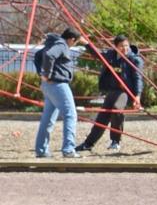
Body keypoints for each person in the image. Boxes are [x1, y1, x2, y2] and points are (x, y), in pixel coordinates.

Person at [77, 34, 143, 154]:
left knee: (117, 110)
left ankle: (115, 141)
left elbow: (138, 78)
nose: (125, 48)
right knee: (102, 117)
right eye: (122, 46)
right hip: (112, 91)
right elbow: (97, 54)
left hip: (125, 92)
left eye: (126, 45)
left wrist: (137, 96)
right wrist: (86, 43)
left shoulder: (134, 59)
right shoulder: (111, 55)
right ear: (116, 47)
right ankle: (88, 143)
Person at [33, 28, 82, 158]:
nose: (73, 45)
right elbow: (50, 55)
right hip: (58, 84)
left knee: (48, 118)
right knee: (70, 114)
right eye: (75, 42)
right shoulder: (61, 45)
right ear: (72, 39)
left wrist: (42, 74)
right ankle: (68, 149)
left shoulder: (52, 43)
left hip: (48, 86)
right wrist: (47, 74)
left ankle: (41, 150)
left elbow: (38, 56)